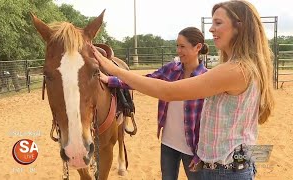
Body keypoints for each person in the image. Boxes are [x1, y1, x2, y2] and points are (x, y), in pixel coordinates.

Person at [90, 0, 275, 179]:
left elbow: (168, 92)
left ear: (239, 27)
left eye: (218, 23)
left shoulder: (234, 70)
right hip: (228, 165)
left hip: (224, 171)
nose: (211, 29)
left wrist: (113, 69)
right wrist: (204, 158)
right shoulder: (246, 67)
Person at [99, 27, 208, 180]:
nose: (178, 50)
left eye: (182, 46)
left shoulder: (206, 78)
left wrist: (201, 153)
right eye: (177, 46)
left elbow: (209, 122)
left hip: (194, 148)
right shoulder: (171, 69)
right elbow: (144, 81)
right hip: (169, 143)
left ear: (197, 47)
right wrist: (111, 80)